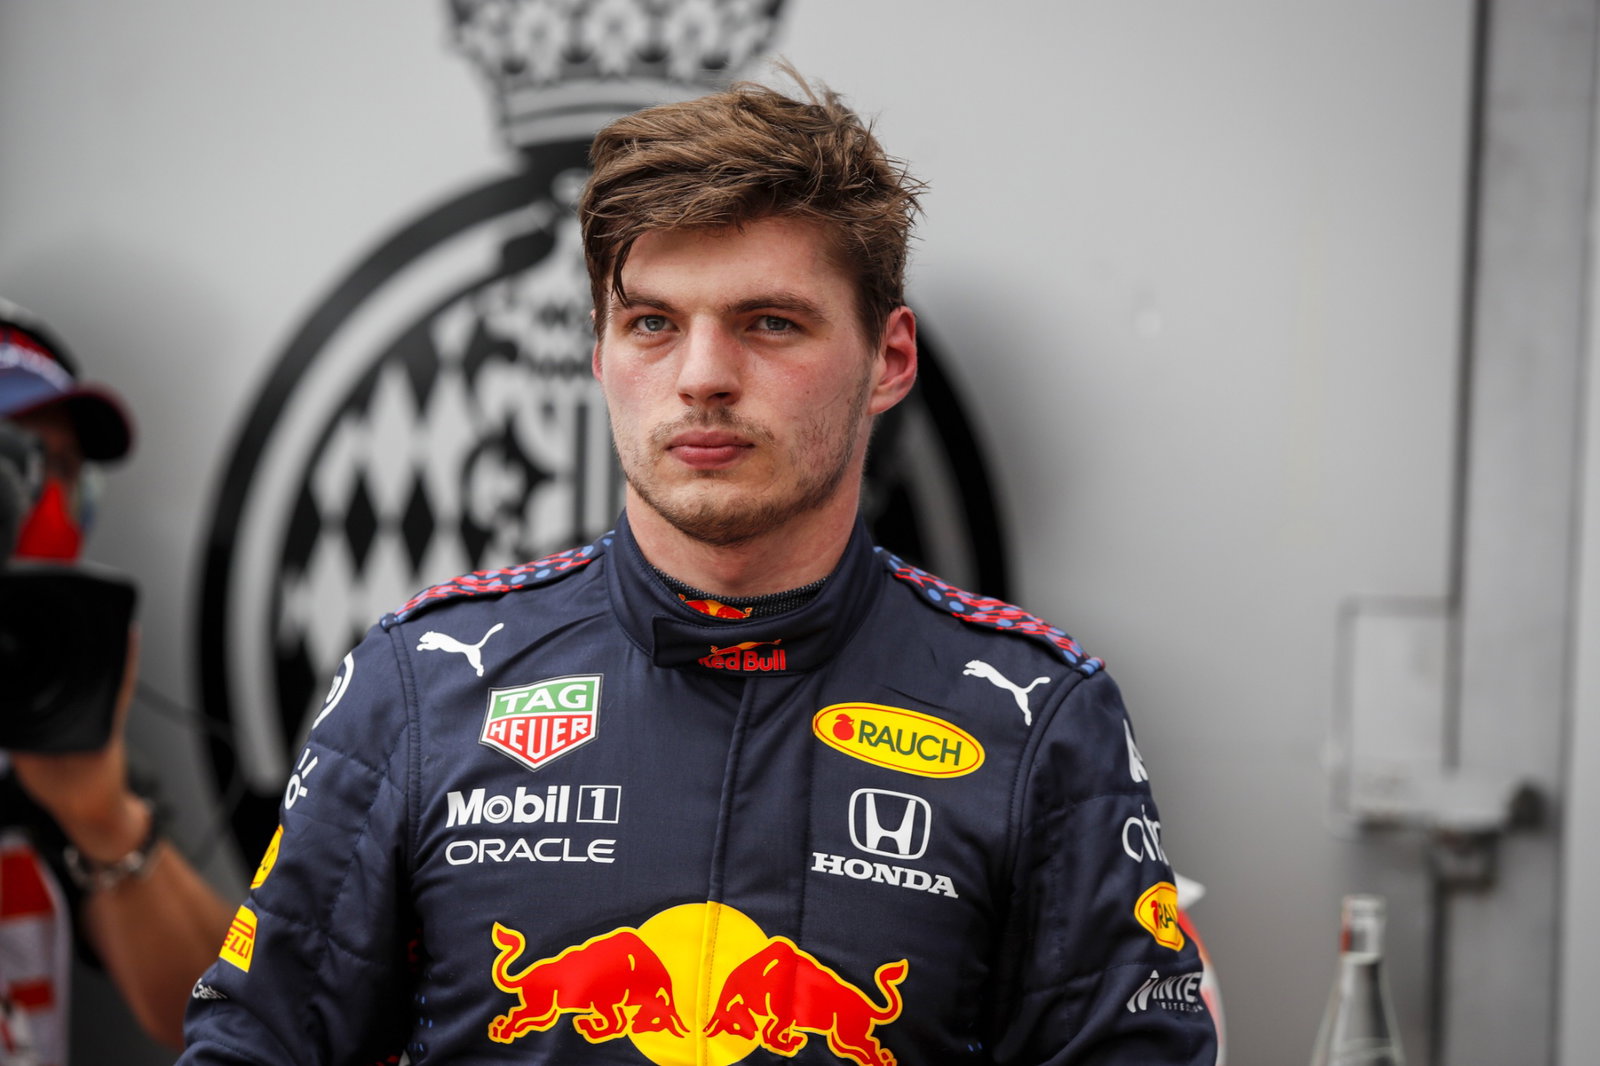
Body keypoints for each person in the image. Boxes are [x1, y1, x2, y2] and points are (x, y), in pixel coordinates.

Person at [178, 70, 1217, 1065]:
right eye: (651, 324)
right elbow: (253, 1043)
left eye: (770, 323)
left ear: (888, 359)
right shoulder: (425, 681)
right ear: (599, 352)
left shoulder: (1036, 718)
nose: (703, 377)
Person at [0, 300, 233, 1061]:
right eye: (14, 461)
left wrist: (103, 821)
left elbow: (229, 1012)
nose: (43, 502)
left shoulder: (44, 703)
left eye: (63, 469)